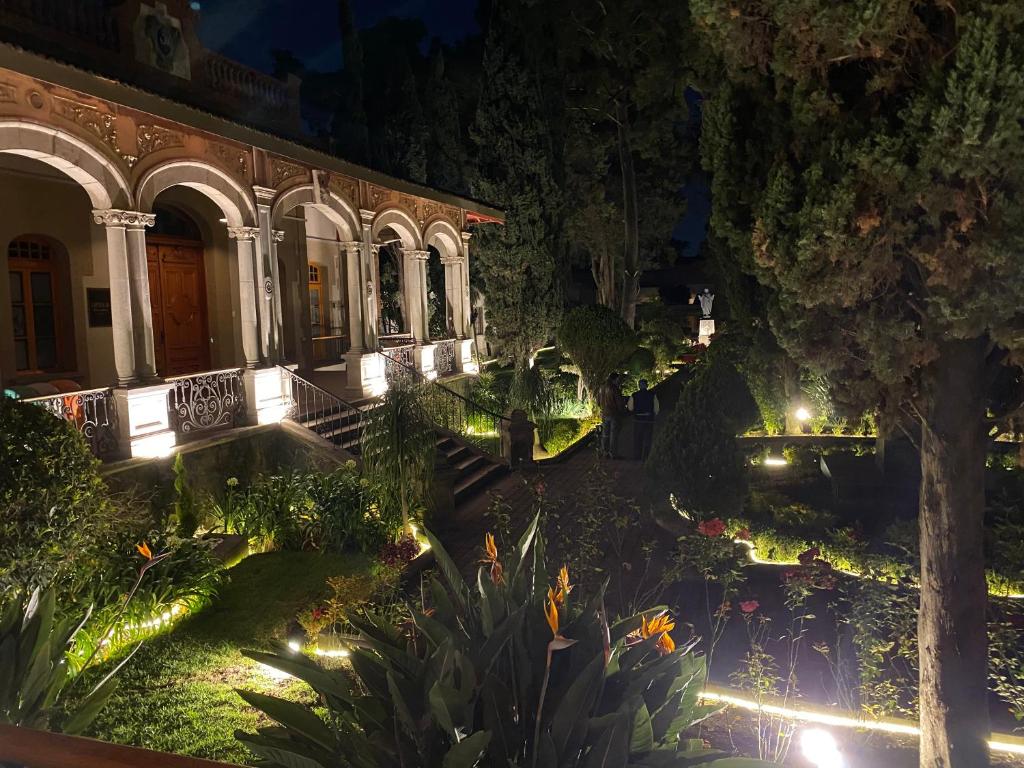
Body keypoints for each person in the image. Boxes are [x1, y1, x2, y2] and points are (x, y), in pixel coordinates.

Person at [628, 379, 660, 461]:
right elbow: (656, 408)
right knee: (647, 439)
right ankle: (646, 457)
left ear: (639, 386)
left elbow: (630, 408)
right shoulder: (652, 395)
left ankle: (637, 457)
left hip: (638, 420)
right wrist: (654, 415)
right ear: (647, 385)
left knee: (638, 439)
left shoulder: (634, 395)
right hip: (649, 420)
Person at [596, 373, 624, 458]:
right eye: (617, 379)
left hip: (604, 414)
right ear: (614, 379)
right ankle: (613, 453)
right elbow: (620, 403)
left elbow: (598, 402)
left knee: (605, 433)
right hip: (614, 414)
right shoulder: (614, 388)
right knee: (613, 434)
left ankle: (605, 451)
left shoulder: (601, 388)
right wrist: (622, 411)